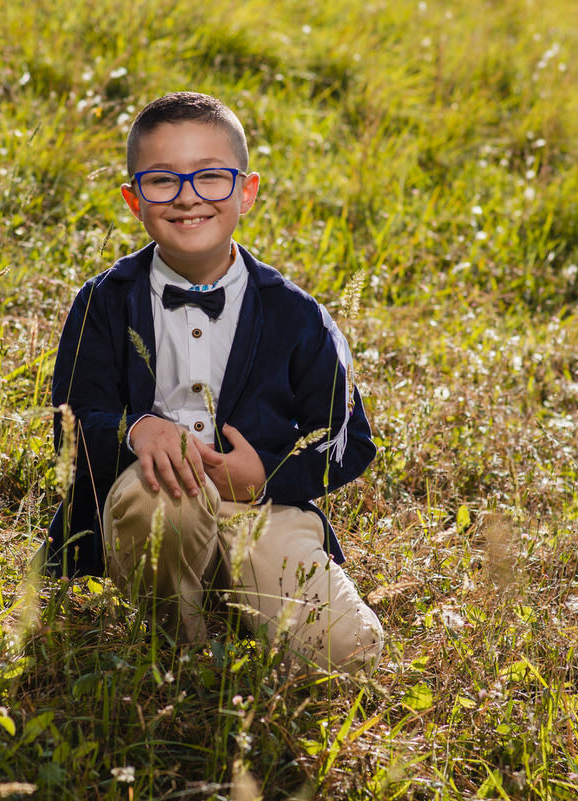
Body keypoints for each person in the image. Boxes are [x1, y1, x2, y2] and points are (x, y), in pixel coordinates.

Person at [45, 91, 383, 673]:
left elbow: (351, 439)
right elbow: (72, 422)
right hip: (155, 500)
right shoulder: (105, 302)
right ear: (133, 200)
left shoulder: (296, 315)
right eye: (163, 182)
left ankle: (241, 591)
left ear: (246, 191)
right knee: (166, 503)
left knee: (350, 651)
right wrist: (137, 430)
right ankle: (181, 647)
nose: (187, 198)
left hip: (265, 511)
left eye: (210, 178)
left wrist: (268, 477)